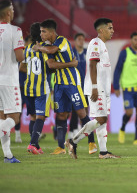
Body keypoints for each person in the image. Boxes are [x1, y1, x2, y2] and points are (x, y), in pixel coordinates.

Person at [32, 19, 95, 156]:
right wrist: (71, 64)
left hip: (72, 82)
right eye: (40, 31)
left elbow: (53, 50)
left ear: (51, 32)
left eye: (44, 31)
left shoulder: (62, 41)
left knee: (81, 113)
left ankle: (92, 143)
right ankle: (60, 147)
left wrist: (39, 47)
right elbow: (51, 65)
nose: (41, 34)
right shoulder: (47, 46)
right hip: (59, 84)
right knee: (61, 114)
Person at [66, 18, 120, 159]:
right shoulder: (96, 43)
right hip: (98, 88)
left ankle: (103, 152)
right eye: (110, 28)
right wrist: (95, 87)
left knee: (103, 120)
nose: (112, 31)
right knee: (101, 119)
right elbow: (92, 65)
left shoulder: (102, 44)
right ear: (101, 30)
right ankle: (73, 141)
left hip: (104, 89)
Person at [20, 22, 77, 155]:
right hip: (42, 88)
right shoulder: (44, 49)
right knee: (41, 117)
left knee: (33, 117)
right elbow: (51, 66)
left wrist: (32, 72)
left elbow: (21, 68)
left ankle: (36, 145)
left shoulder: (27, 49)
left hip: (28, 88)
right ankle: (33, 144)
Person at [0, 0, 25, 163]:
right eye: (13, 10)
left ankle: (8, 155)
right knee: (14, 118)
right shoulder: (15, 30)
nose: (14, 12)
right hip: (9, 80)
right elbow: (19, 57)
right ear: (8, 13)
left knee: (2, 118)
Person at [113, 31, 137, 145]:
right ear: (131, 40)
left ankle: (136, 138)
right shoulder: (124, 53)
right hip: (128, 89)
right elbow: (117, 70)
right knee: (129, 112)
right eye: (135, 39)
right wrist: (116, 86)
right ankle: (122, 129)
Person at [68, 33, 89, 142]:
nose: (81, 41)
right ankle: (73, 129)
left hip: (86, 86)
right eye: (79, 39)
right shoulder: (71, 53)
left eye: (83, 39)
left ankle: (82, 130)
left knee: (85, 109)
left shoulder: (87, 52)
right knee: (75, 109)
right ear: (75, 41)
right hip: (74, 85)